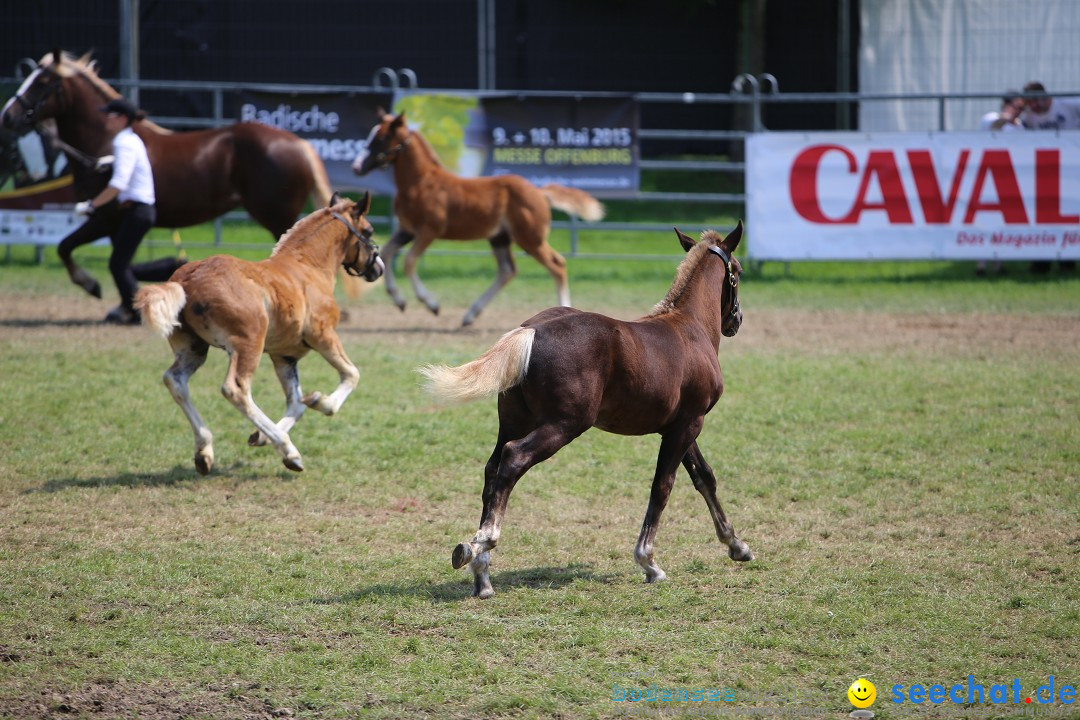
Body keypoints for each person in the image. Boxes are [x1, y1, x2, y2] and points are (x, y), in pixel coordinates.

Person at [63, 97, 183, 323]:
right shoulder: (131, 139)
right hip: (140, 210)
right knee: (122, 265)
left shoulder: (123, 142)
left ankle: (136, 312)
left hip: (137, 210)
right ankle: (170, 270)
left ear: (121, 119)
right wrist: (111, 161)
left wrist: (91, 205)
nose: (106, 119)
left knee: (118, 265)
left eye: (110, 115)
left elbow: (118, 184)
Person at [975, 91, 1026, 276]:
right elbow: (992, 131)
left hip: (1008, 178)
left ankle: (998, 263)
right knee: (983, 221)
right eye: (1017, 107)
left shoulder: (1020, 126)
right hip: (988, 177)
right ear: (1007, 104)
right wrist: (1006, 119)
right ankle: (981, 265)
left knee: (1001, 222)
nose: (1020, 111)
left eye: (1022, 108)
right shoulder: (990, 118)